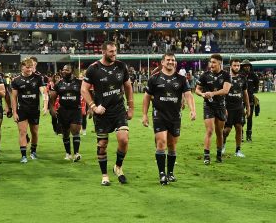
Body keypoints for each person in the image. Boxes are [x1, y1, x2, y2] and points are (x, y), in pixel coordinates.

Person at [81, 41, 134, 186]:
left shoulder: (121, 66)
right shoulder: (93, 69)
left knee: (123, 139)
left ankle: (118, 166)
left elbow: (128, 86)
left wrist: (131, 107)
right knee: (103, 143)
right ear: (103, 52)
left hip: (118, 110)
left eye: (115, 51)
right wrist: (93, 106)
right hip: (102, 113)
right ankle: (104, 175)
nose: (114, 54)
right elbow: (84, 89)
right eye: (111, 51)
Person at [142, 53, 196, 185]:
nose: (170, 62)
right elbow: (147, 97)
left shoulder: (182, 79)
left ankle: (170, 173)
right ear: (162, 62)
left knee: (172, 145)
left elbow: (188, 95)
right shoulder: (154, 79)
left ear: (175, 63)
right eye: (168, 60)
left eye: (173, 60)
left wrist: (192, 110)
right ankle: (162, 174)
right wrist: (144, 114)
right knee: (161, 142)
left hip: (175, 116)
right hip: (159, 115)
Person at [195, 54, 231, 164]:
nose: (211, 64)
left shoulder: (226, 75)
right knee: (210, 130)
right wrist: (202, 94)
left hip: (220, 106)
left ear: (220, 63)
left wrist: (212, 93)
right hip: (208, 106)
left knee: (219, 132)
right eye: (211, 62)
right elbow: (196, 90)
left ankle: (219, 155)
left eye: (214, 62)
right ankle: (206, 156)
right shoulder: (205, 75)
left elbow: (225, 90)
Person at [11, 58, 48, 163]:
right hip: (22, 110)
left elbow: (44, 93)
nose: (29, 69)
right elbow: (13, 97)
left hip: (34, 110)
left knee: (34, 132)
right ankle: (23, 156)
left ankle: (33, 151)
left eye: (31, 67)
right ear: (22, 67)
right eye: (27, 67)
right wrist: (14, 112)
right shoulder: (16, 80)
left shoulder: (38, 78)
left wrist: (45, 106)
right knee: (22, 132)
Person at [50, 64, 82, 161]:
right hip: (63, 110)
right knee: (65, 132)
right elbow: (52, 98)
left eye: (67, 70)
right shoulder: (59, 83)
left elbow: (87, 93)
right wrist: (52, 109)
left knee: (75, 130)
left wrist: (90, 107)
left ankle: (76, 153)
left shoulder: (79, 82)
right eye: (63, 70)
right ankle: (68, 153)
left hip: (76, 110)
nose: (64, 71)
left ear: (72, 70)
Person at [222, 59, 250, 157]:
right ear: (231, 66)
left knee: (239, 128)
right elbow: (221, 94)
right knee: (227, 130)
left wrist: (248, 108)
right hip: (228, 108)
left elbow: (245, 94)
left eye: (238, 66)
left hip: (239, 108)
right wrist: (223, 108)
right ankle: (222, 145)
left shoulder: (243, 78)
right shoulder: (225, 78)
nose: (237, 67)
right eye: (235, 65)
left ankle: (238, 150)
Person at [240, 60, 259, 142]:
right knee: (240, 118)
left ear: (250, 67)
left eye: (248, 66)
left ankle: (249, 136)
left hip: (250, 99)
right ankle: (241, 135)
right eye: (245, 66)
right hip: (240, 99)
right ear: (242, 67)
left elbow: (257, 87)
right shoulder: (239, 75)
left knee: (250, 117)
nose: (247, 67)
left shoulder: (254, 76)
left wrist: (251, 92)